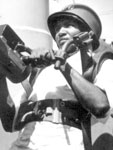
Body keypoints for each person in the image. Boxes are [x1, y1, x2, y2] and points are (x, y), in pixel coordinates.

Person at [8, 3, 113, 150]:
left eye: (69, 25)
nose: (60, 32)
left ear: (87, 32)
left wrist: (62, 64)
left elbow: (101, 106)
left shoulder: (100, 63)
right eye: (57, 28)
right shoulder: (41, 71)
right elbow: (10, 123)